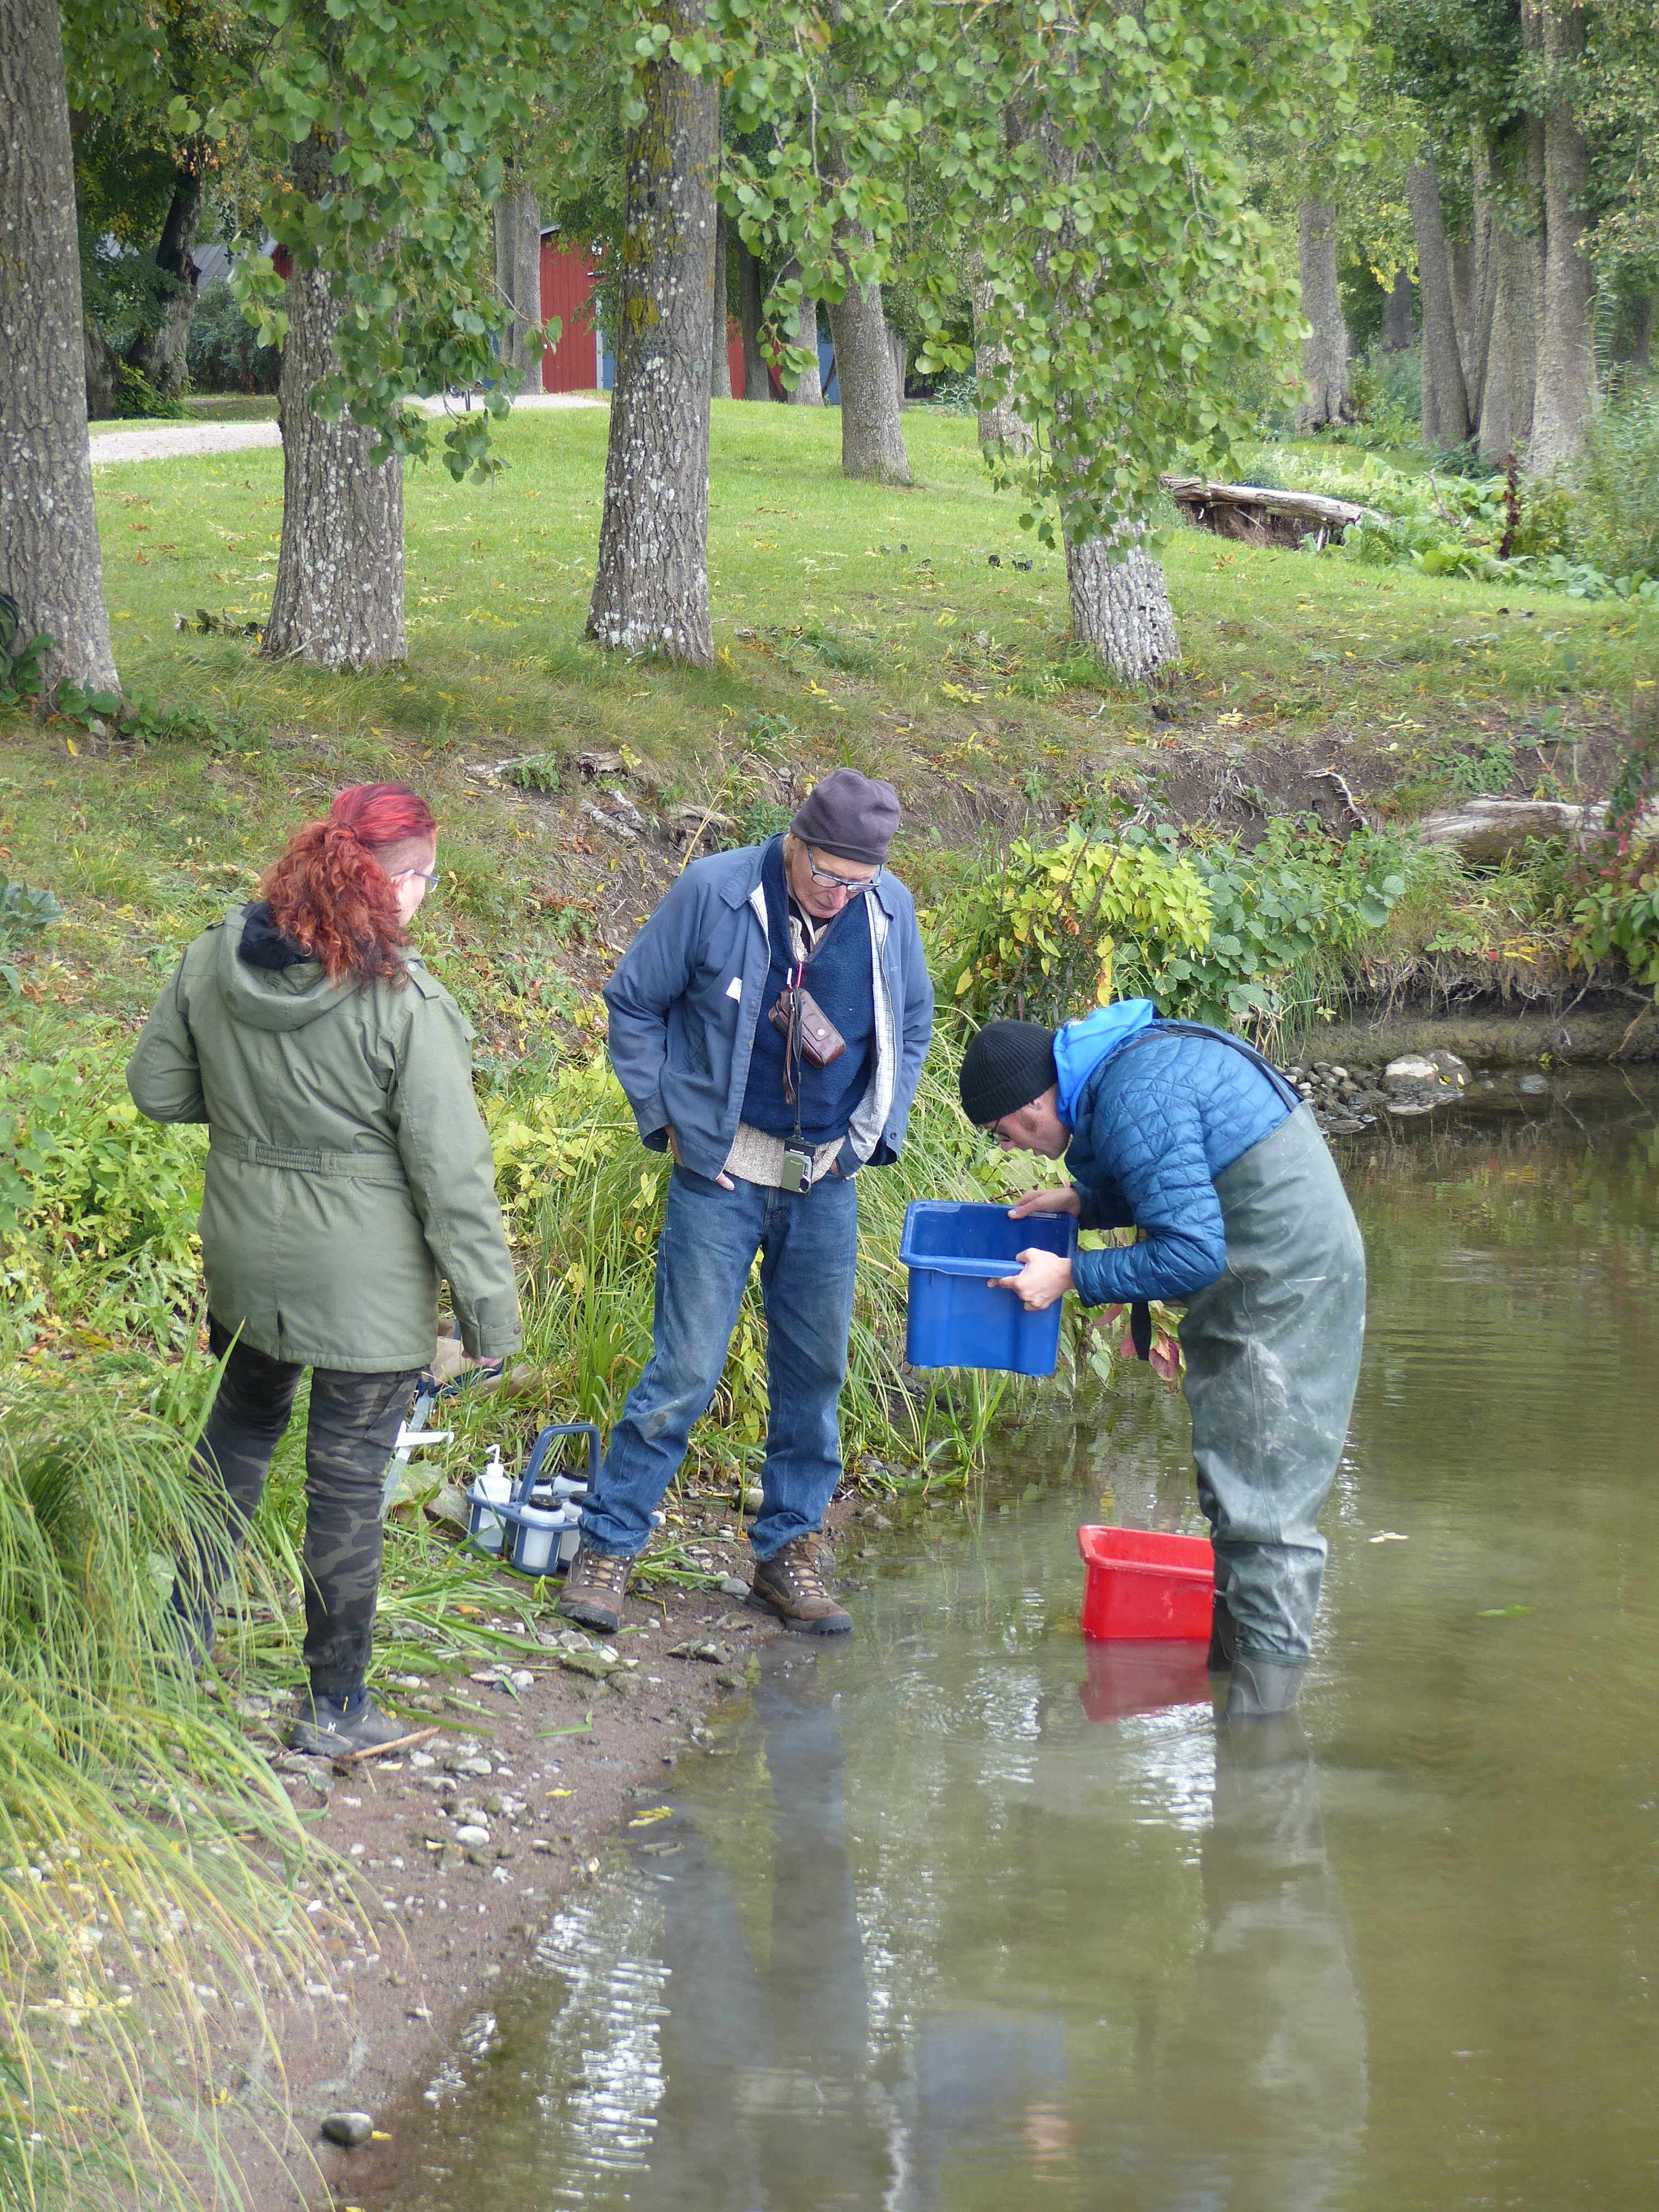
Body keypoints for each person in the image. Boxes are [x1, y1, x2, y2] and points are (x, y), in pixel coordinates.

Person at [128, 782, 521, 1754]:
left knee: (234, 1443)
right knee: (347, 1482)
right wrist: (490, 1323)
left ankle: (174, 1649)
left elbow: (158, 1087)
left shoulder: (216, 958)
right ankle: (336, 1708)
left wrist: (259, 1126)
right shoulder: (404, 1002)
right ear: (401, 881)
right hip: (366, 1284)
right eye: (428, 877)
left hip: (244, 1262)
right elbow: (453, 1179)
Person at [561, 769, 934, 1637]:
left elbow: (910, 1021)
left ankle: (787, 1554)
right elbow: (633, 1003)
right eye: (827, 876)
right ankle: (609, 1547)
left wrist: (877, 1129)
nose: (839, 896)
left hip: (823, 1185)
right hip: (718, 1180)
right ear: (795, 841)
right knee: (684, 1372)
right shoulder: (715, 891)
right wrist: (668, 1120)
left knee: (815, 1378)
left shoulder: (888, 912)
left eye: (858, 882)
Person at [956, 1002, 1366, 1717]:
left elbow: (1190, 1252)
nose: (1017, 1147)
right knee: (1233, 1487)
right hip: (1269, 1263)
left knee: (1265, 1505)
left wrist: (1073, 1277)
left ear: (1033, 1099)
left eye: (1008, 1132)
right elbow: (1172, 1177)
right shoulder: (1123, 1073)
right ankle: (1231, 1704)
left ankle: (1262, 1748)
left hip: (1287, 1277)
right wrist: (1083, 1201)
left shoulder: (1133, 1092)